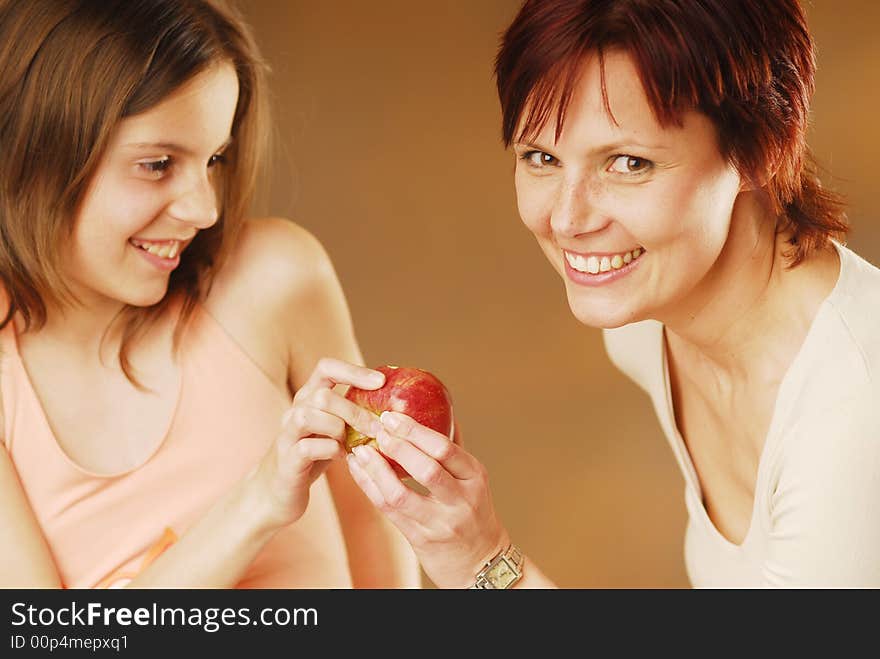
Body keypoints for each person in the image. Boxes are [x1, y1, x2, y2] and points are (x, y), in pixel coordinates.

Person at [344, 0, 880, 587]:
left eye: (629, 163)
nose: (569, 219)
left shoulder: (852, 413)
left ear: (761, 149)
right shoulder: (644, 327)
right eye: (541, 157)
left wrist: (482, 560)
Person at [0, 0, 419, 589]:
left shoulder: (274, 280)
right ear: (33, 152)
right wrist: (260, 500)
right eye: (157, 164)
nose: (204, 209)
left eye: (214, 159)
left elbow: (374, 521)